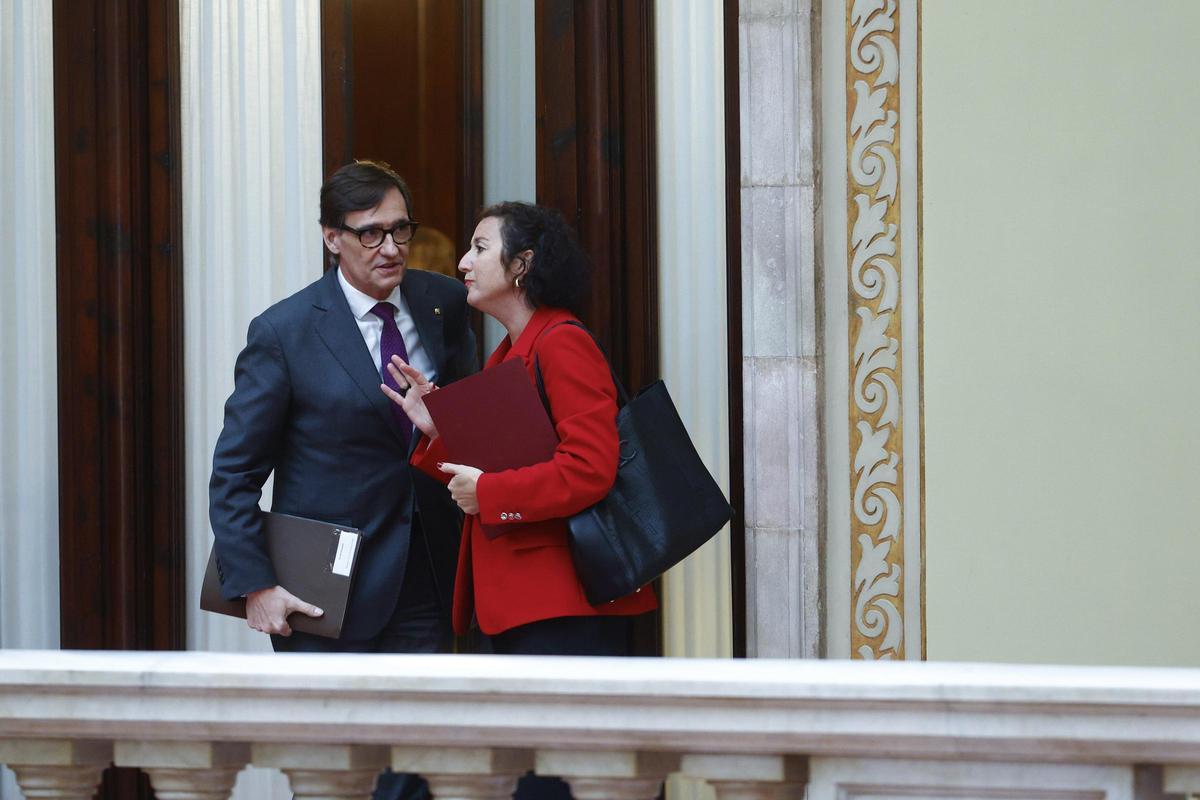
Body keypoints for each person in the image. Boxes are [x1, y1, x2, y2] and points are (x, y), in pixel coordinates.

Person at [208, 161, 477, 797]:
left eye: (401, 229)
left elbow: (468, 425)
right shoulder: (284, 331)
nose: (391, 248)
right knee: (333, 778)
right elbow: (235, 473)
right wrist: (255, 585)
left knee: (416, 771)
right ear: (332, 238)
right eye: (370, 233)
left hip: (426, 574)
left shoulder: (443, 304)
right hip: (324, 591)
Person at [381, 202, 657, 656]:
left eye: (479, 248)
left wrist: (488, 494)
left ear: (521, 265)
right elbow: (509, 460)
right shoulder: (511, 351)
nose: (463, 262)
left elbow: (589, 468)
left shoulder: (562, 342)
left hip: (561, 604)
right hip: (521, 601)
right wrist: (438, 430)